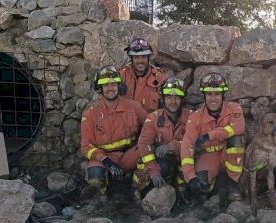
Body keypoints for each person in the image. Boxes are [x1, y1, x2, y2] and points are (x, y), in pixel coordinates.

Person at [81, 65, 147, 197]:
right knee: (95, 176)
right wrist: (105, 160)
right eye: (105, 85)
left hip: (128, 155)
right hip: (105, 157)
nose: (110, 88)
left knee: (149, 155)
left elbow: (150, 128)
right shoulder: (91, 113)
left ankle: (135, 189)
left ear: (119, 86)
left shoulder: (134, 107)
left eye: (113, 84)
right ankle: (105, 192)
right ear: (100, 88)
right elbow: (86, 147)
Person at [180, 72, 245, 202]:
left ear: (223, 95)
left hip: (228, 153)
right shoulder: (195, 117)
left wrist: (210, 135)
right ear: (204, 96)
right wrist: (190, 176)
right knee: (201, 187)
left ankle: (233, 182)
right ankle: (217, 184)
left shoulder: (235, 108)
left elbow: (239, 127)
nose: (213, 98)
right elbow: (187, 145)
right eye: (209, 94)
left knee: (236, 139)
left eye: (217, 94)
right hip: (209, 156)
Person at [133, 77, 192, 199]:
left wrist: (172, 146)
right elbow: (144, 145)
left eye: (177, 97)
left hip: (183, 159)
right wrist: (154, 172)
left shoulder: (191, 117)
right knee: (150, 168)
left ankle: (182, 192)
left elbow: (194, 142)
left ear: (182, 99)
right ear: (163, 99)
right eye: (169, 97)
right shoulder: (153, 118)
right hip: (161, 160)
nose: (173, 101)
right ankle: (141, 192)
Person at [119, 38, 168, 113]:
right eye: (136, 57)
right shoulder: (121, 76)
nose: (140, 61)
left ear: (148, 58)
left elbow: (166, 109)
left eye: (144, 57)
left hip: (149, 123)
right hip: (124, 122)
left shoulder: (160, 78)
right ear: (131, 58)